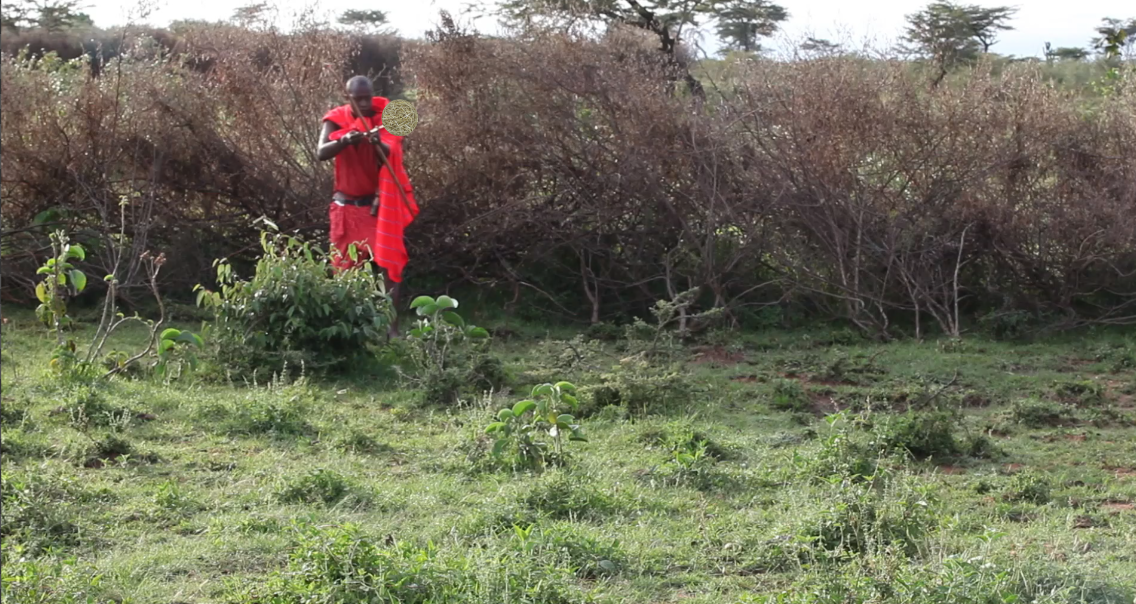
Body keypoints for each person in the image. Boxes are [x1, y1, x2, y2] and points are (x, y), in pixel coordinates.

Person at [317, 75, 418, 337]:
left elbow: (391, 149)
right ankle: (348, 331)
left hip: (378, 207)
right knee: (344, 272)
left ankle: (391, 330)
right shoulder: (335, 118)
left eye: (367, 97)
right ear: (347, 97)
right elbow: (321, 152)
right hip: (345, 208)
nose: (364, 102)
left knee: (390, 266)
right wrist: (345, 141)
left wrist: (374, 143)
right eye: (357, 98)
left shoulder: (388, 114)